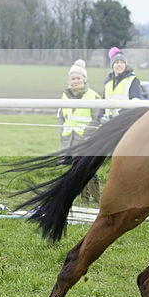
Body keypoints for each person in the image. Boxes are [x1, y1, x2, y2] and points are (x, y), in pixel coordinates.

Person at [58, 59, 101, 202]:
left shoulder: (93, 96)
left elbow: (97, 118)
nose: (75, 81)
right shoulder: (65, 95)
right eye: (73, 78)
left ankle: (95, 199)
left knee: (88, 169)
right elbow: (61, 116)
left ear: (84, 79)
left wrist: (87, 135)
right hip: (69, 139)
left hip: (85, 139)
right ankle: (84, 199)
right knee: (75, 169)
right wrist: (62, 132)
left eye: (78, 78)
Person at [101, 47, 143, 121]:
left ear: (125, 65)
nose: (119, 65)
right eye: (117, 62)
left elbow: (135, 103)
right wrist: (100, 117)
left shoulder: (133, 80)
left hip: (124, 122)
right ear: (112, 65)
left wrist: (116, 116)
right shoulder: (108, 82)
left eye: (122, 62)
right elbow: (103, 104)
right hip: (107, 122)